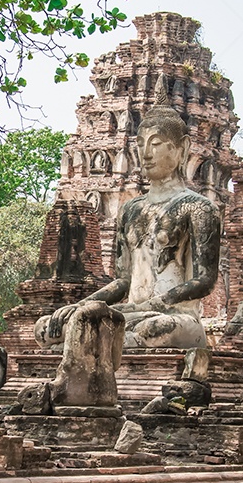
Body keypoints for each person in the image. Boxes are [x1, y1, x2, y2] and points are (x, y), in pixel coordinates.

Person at [35, 101, 220, 349]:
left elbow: (205, 280)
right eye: (141, 145)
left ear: (182, 148)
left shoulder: (198, 207)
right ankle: (97, 341)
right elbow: (123, 281)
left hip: (172, 317)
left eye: (155, 144)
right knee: (46, 328)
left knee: (151, 329)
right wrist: (81, 305)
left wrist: (147, 306)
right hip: (129, 314)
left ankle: (97, 344)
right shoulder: (131, 209)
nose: (145, 154)